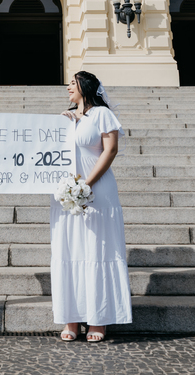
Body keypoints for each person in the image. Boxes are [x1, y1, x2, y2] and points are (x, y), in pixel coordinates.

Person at [51, 71, 132, 342]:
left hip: (97, 190)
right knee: (71, 249)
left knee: (98, 250)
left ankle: (100, 319)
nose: (67, 88)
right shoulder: (67, 117)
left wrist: (87, 184)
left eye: (72, 84)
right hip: (68, 193)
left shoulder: (102, 115)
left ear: (85, 86)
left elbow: (110, 150)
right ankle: (71, 319)